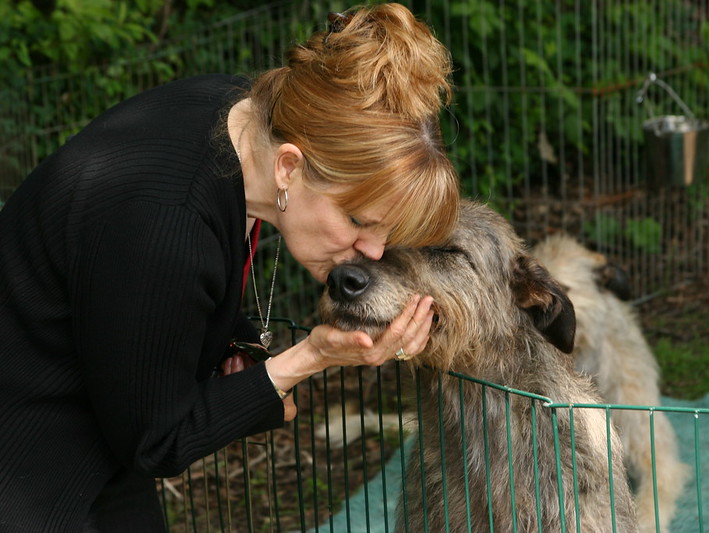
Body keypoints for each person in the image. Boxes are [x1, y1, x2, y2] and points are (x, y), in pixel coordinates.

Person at [0, 4, 460, 532]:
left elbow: (148, 311)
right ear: (290, 166)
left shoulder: (240, 118)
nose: (372, 252)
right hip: (25, 455)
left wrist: (232, 346)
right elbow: (156, 440)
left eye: (385, 231)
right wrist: (309, 358)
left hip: (94, 436)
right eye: (358, 219)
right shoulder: (165, 222)